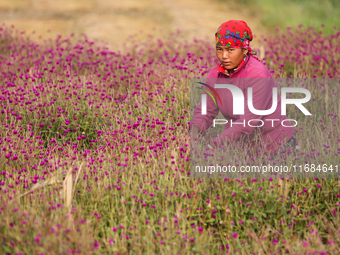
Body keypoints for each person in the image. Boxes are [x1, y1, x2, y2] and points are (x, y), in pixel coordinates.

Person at [190, 20, 296, 155]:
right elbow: (205, 112)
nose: (224, 56)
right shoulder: (215, 74)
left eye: (230, 50)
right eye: (219, 49)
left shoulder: (257, 75)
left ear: (245, 49)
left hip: (277, 147)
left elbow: (247, 123)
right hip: (243, 149)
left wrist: (214, 145)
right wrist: (195, 132)